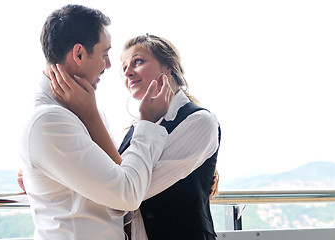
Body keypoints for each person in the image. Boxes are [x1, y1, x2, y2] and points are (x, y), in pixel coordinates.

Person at [20, 5, 174, 240]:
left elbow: (119, 186)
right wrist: (147, 123)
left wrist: (91, 115)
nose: (110, 65)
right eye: (105, 54)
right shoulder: (48, 122)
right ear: (79, 54)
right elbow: (127, 195)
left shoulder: (86, 110)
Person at [50, 34, 221, 240]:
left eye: (137, 62)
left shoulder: (200, 122)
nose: (128, 72)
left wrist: (90, 114)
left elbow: (128, 191)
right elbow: (111, 172)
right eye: (124, 68)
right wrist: (49, 165)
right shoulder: (136, 128)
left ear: (168, 66)